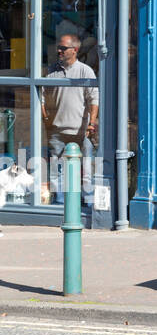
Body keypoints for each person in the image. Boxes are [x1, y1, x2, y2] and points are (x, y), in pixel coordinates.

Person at [43, 33, 99, 206]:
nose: (59, 51)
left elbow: (94, 100)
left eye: (63, 48)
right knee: (56, 169)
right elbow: (41, 96)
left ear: (74, 50)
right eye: (58, 47)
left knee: (86, 169)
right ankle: (59, 202)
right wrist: (46, 118)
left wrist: (91, 124)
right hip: (57, 130)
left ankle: (88, 202)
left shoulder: (85, 71)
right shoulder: (52, 71)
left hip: (81, 130)